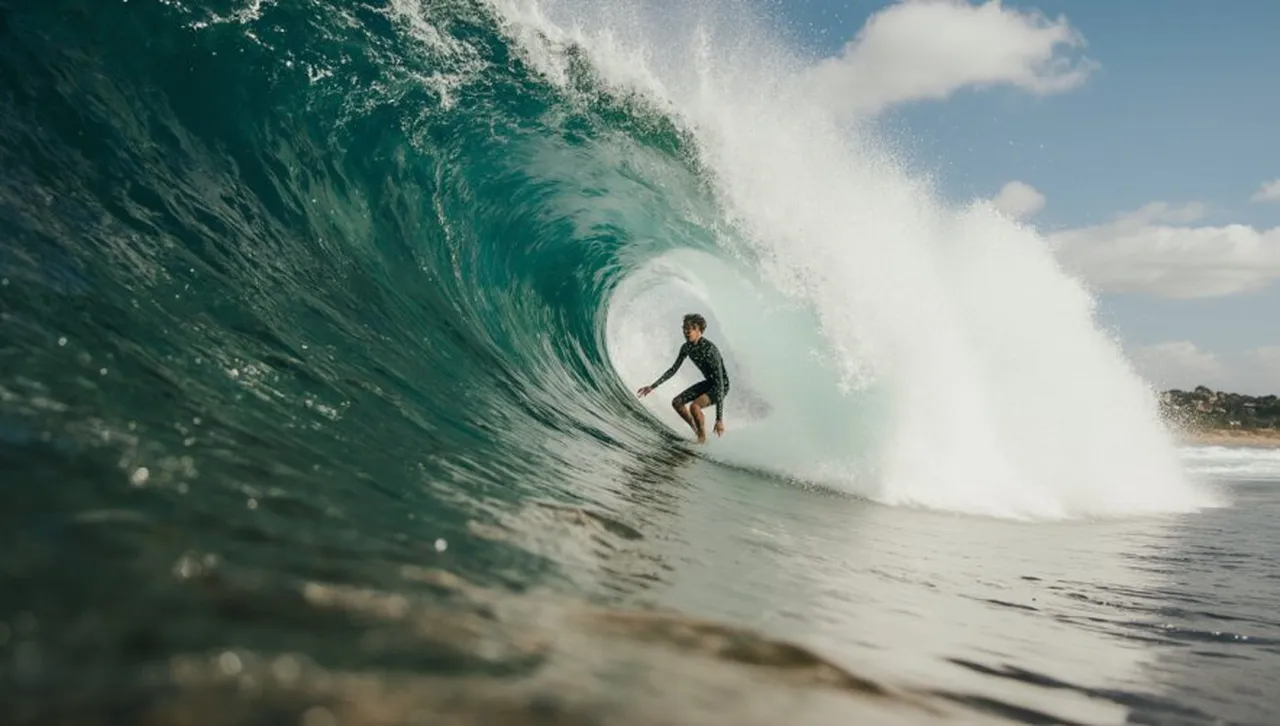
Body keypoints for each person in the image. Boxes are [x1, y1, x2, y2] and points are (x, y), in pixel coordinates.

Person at [637, 313, 730, 444]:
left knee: (694, 407)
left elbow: (719, 384)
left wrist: (719, 419)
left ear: (699, 330)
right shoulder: (686, 348)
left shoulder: (710, 350)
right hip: (709, 383)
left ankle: (702, 440)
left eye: (690, 328)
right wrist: (653, 386)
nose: (686, 332)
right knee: (677, 402)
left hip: (720, 386)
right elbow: (673, 369)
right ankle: (697, 431)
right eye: (684, 328)